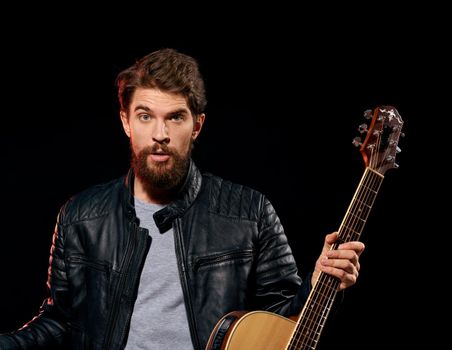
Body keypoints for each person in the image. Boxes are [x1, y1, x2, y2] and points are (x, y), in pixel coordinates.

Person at [0, 48, 365, 350]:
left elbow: (282, 323)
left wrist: (318, 284)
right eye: (145, 116)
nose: (160, 134)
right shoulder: (81, 215)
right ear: (126, 121)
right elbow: (60, 322)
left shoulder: (250, 212)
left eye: (175, 117)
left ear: (197, 126)